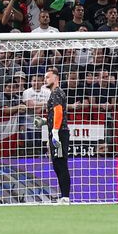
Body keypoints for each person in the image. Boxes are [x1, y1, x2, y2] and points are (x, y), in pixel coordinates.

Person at [44, 66, 71, 203]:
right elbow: (55, 114)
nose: (45, 79)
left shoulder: (56, 92)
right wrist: (45, 121)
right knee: (57, 164)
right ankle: (63, 196)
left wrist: (55, 132)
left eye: (48, 77)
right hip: (57, 130)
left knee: (60, 164)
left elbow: (59, 112)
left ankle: (65, 197)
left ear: (56, 78)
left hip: (59, 132)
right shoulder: (56, 93)